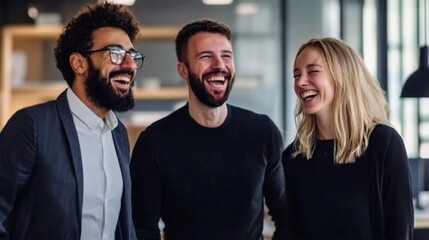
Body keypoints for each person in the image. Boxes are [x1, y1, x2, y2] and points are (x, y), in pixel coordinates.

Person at [130, 19, 286, 240]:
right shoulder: (154, 142)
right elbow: (142, 228)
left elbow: (285, 215)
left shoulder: (263, 133)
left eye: (226, 56)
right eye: (205, 56)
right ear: (183, 70)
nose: (219, 65)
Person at [0, 2, 144, 239]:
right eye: (116, 54)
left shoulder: (118, 133)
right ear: (79, 63)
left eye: (133, 55)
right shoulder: (33, 126)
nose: (129, 66)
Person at [282, 37, 414, 239]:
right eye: (296, 74)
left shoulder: (383, 144)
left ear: (342, 77)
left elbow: (399, 231)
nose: (300, 82)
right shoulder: (294, 157)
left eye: (313, 71)